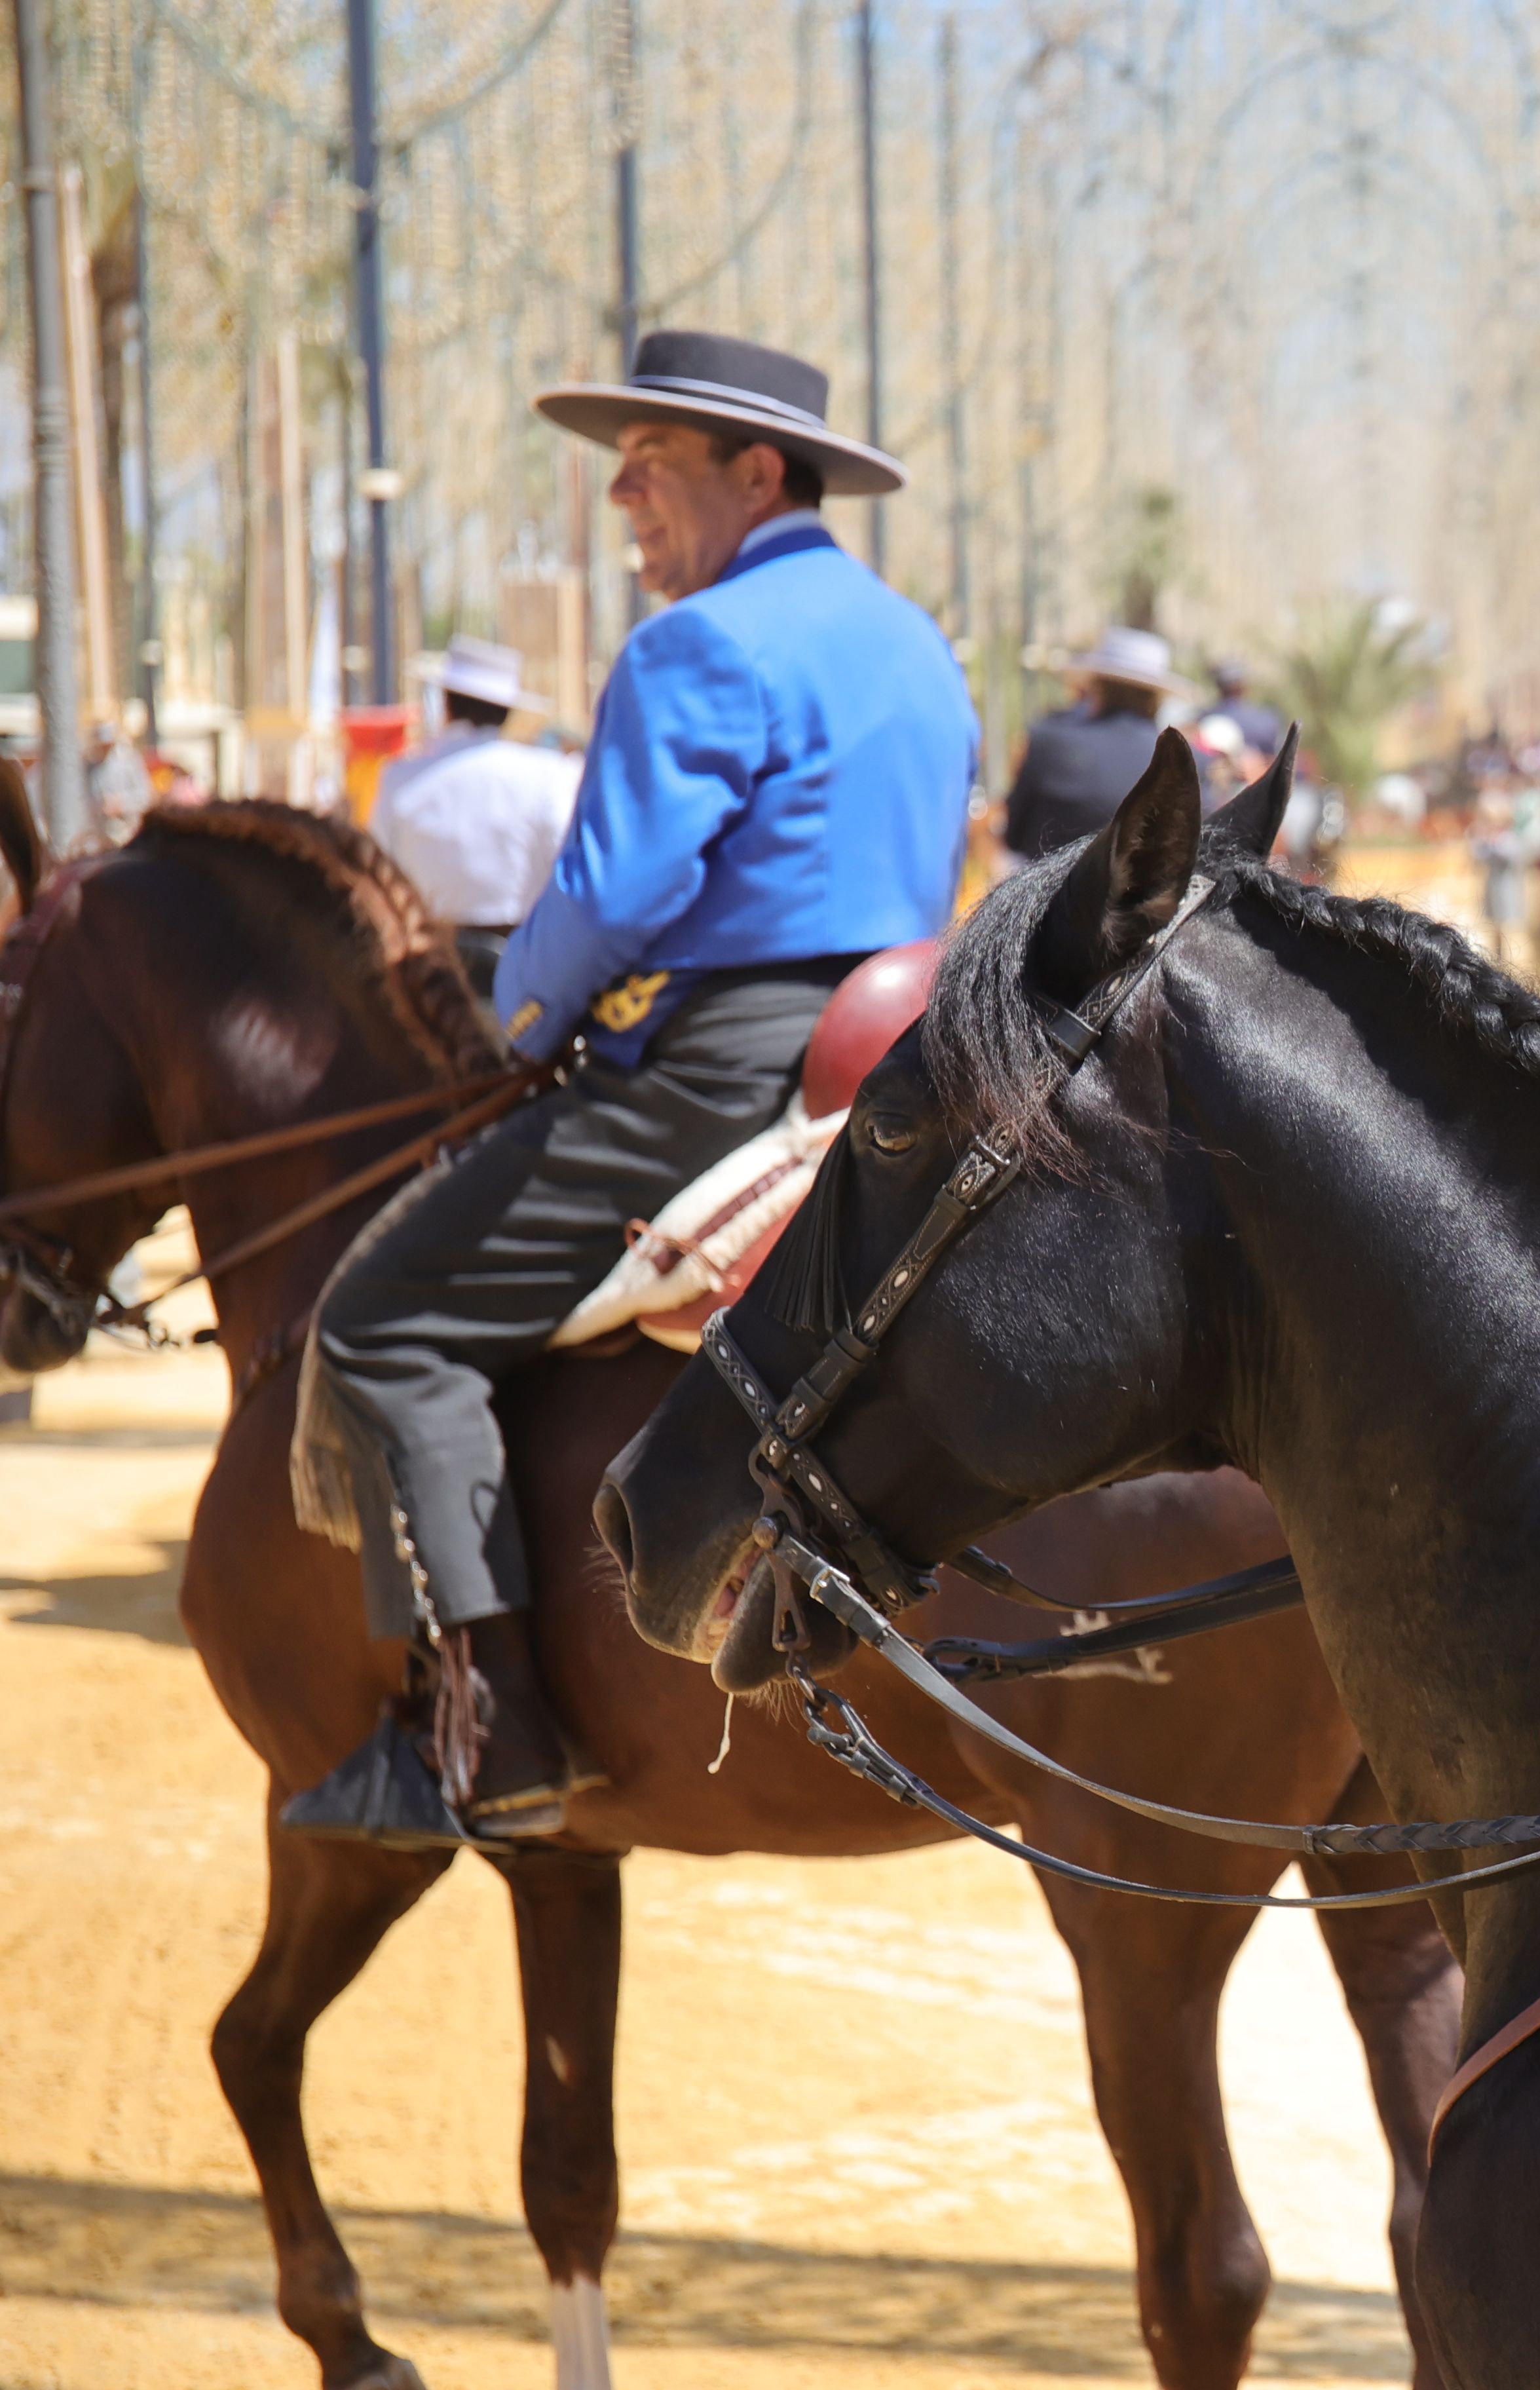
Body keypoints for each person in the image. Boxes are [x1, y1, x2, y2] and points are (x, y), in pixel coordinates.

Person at [288, 330, 975, 1842]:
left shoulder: (695, 648)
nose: (620, 497)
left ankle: (486, 1730)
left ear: (756, 473)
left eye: (650, 466)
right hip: (892, 1054)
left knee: (384, 1315)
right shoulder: (917, 644)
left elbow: (608, 903)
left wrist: (516, 1022)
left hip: (714, 1070)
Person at [369, 635, 583, 994]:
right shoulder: (551, 777)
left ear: (446, 702)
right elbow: (566, 874)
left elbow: (380, 876)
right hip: (527, 970)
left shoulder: (400, 778)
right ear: (507, 711)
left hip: (428, 970)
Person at [1004, 626, 1188, 865]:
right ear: (1156, 698)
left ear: (1098, 687)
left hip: (1051, 898)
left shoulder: (1047, 742)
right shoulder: (1183, 761)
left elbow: (1014, 838)